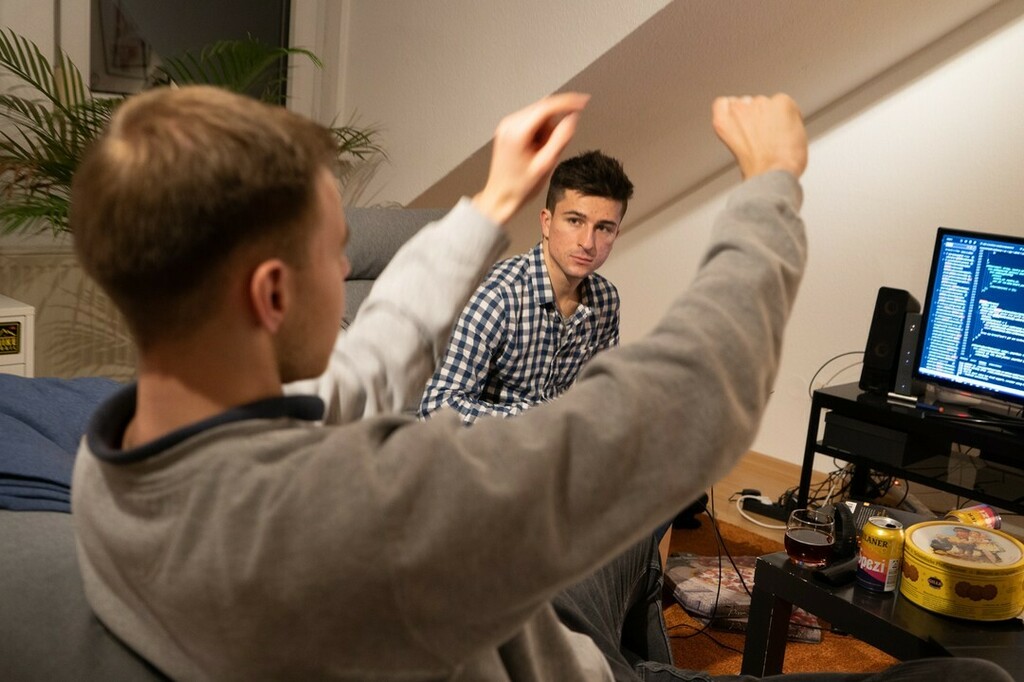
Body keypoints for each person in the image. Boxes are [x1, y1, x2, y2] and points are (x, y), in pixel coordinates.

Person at [68, 85, 1012, 682]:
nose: (354, 276)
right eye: (337, 251)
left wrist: (488, 204)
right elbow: (691, 398)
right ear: (271, 294)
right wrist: (770, 187)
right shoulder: (364, 516)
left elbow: (366, 361)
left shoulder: (116, 459)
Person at [418, 149, 632, 424]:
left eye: (603, 228)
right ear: (546, 221)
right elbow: (436, 408)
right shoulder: (499, 296)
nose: (588, 242)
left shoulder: (605, 300)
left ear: (616, 233)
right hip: (487, 454)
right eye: (575, 221)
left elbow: (601, 396)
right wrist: (537, 421)